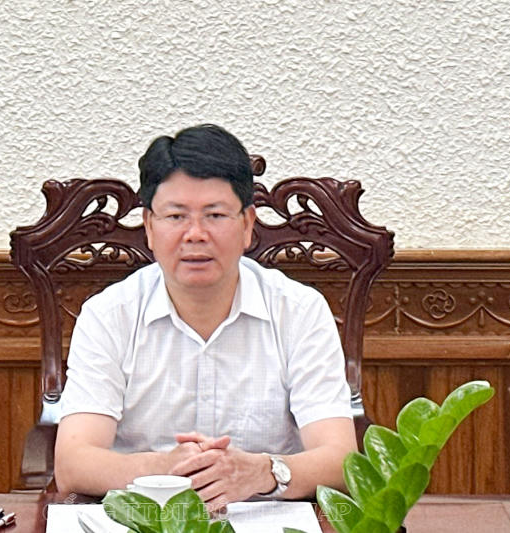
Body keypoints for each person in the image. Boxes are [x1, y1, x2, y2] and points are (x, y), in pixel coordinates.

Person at [54, 124, 357, 511]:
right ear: (149, 226)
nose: (195, 234)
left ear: (247, 224)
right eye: (176, 216)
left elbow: (341, 460)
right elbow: (73, 464)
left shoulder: (299, 311)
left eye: (215, 214)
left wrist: (263, 472)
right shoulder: (109, 315)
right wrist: (164, 469)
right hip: (148, 518)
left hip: (265, 514)